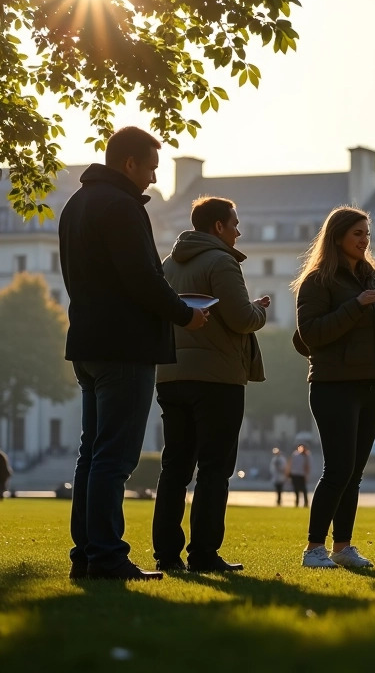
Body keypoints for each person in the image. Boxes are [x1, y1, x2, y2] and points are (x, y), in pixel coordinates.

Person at [58, 126, 209, 581]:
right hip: (124, 346)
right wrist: (185, 315)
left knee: (93, 453)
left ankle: (86, 554)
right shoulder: (122, 207)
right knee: (115, 456)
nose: (153, 179)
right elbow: (142, 278)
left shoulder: (76, 205)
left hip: (88, 342)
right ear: (129, 164)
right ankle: (106, 555)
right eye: (150, 168)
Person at [151, 196, 270, 573]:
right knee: (214, 469)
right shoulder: (221, 261)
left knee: (174, 467)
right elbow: (239, 319)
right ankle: (203, 553)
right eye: (234, 223)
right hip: (217, 377)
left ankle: (167, 554)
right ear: (218, 226)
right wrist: (260, 310)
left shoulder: (169, 264)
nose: (239, 230)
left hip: (171, 373)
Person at [292, 207, 375, 568]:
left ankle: (343, 547)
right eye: (357, 233)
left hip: (371, 382)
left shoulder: (370, 276)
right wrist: (357, 306)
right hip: (333, 384)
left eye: (367, 233)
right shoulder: (318, 281)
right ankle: (313, 549)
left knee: (354, 472)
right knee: (338, 469)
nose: (364, 240)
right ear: (337, 236)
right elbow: (311, 334)